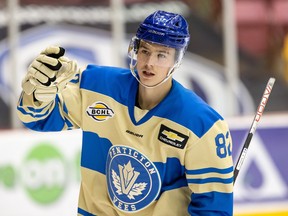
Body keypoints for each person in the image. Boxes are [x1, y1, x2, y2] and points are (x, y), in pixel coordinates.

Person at [17, 10, 233, 216]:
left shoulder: (201, 124)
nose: (149, 63)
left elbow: (213, 206)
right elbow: (38, 119)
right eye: (145, 51)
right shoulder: (98, 87)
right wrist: (38, 95)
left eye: (161, 55)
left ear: (176, 60)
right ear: (134, 49)